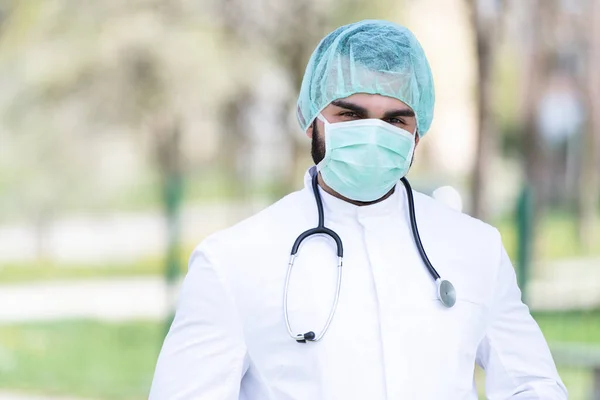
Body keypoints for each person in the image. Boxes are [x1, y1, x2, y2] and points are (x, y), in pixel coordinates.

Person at [149, 20, 567, 399]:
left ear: (418, 130)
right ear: (312, 119)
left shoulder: (476, 248)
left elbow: (533, 384)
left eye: (396, 121)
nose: (374, 134)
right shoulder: (231, 261)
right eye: (350, 114)